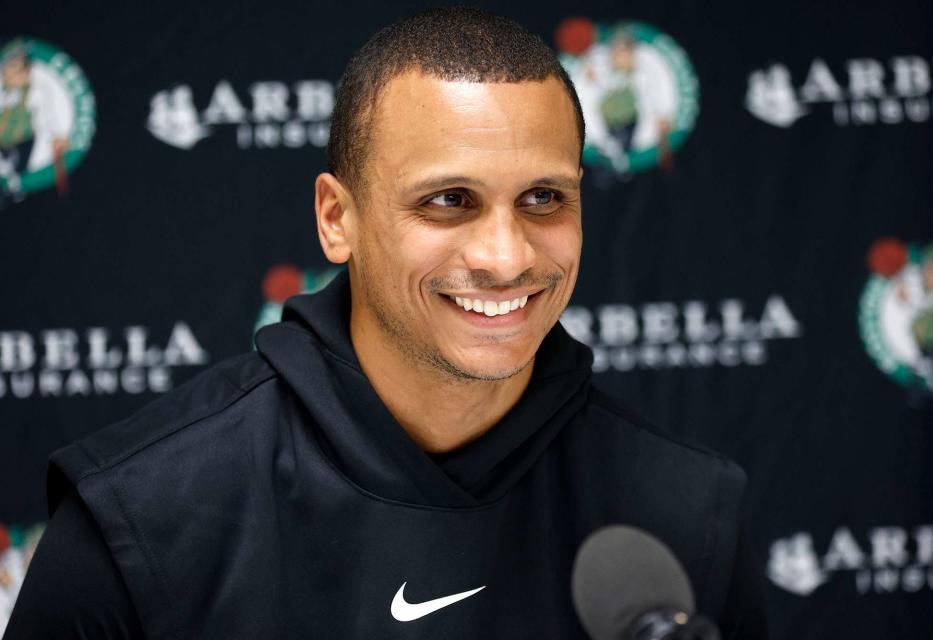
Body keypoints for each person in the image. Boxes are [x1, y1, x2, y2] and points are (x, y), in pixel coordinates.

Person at [4, 8, 767, 639]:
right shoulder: (139, 517)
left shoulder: (688, 509)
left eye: (543, 199)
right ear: (338, 220)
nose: (506, 257)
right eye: (448, 201)